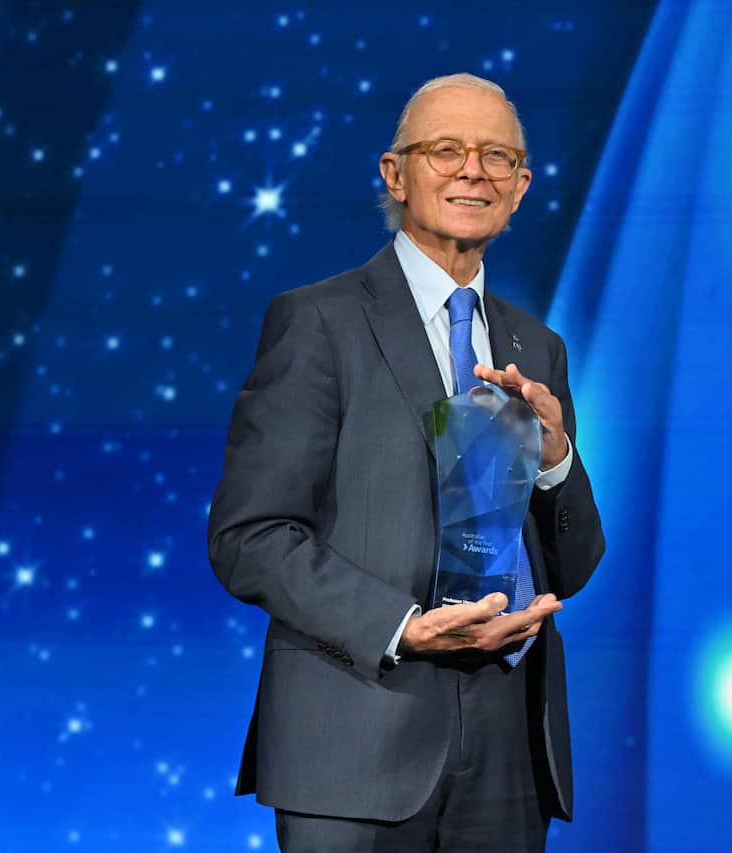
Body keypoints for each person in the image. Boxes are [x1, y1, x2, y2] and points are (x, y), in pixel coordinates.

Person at [207, 72, 605, 852]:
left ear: (521, 188)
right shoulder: (318, 322)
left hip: (508, 753)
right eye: (446, 149)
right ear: (396, 173)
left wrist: (557, 459)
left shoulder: (537, 347)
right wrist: (405, 627)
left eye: (497, 156)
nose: (472, 170)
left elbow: (573, 561)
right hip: (354, 741)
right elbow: (249, 536)